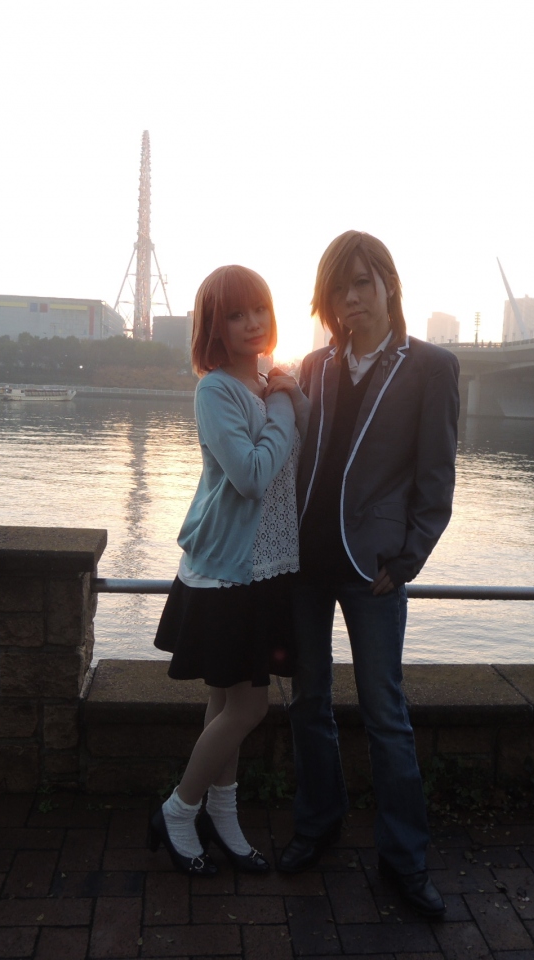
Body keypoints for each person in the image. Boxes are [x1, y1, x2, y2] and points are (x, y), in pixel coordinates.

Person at [278, 231, 460, 918]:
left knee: (386, 713)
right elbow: (297, 457)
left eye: (361, 282)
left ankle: (405, 860)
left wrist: (408, 559)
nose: (350, 298)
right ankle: (318, 825)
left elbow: (436, 478)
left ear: (388, 283)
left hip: (373, 569)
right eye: (337, 288)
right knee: (307, 701)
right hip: (305, 563)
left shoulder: (431, 367)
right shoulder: (315, 366)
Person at [149, 264, 309, 877]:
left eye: (259, 309)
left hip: (266, 567)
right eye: (236, 314)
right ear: (214, 327)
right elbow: (251, 475)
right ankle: (178, 810)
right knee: (249, 708)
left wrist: (288, 393)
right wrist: (284, 406)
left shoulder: (270, 382)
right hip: (227, 573)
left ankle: (222, 814)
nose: (252, 323)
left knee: (224, 703)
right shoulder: (216, 390)